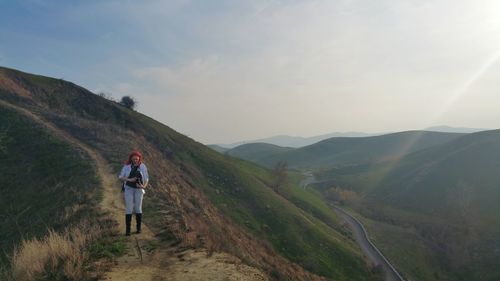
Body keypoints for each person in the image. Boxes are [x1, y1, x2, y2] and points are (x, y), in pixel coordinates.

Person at [118, 151, 149, 236]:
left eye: (137, 159)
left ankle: (138, 229)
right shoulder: (127, 166)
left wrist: (143, 186)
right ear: (131, 158)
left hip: (139, 189)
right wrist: (129, 180)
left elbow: (146, 179)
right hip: (128, 188)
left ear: (139, 159)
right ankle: (128, 230)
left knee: (138, 208)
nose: (135, 160)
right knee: (129, 208)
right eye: (134, 159)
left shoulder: (142, 166)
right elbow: (120, 177)